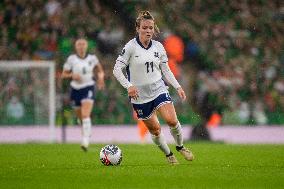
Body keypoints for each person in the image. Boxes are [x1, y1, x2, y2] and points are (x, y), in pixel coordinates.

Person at [113, 11, 194, 164]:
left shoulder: (159, 47)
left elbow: (166, 70)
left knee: (171, 120)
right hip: (139, 96)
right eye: (145, 28)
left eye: (150, 28)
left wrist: (178, 87)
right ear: (138, 28)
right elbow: (116, 69)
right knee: (155, 130)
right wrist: (128, 86)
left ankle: (180, 146)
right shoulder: (130, 47)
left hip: (159, 89)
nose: (148, 31)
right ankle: (169, 154)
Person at [62, 38, 105, 151]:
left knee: (86, 114)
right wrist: (72, 75)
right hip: (75, 89)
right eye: (78, 44)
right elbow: (63, 74)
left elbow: (100, 70)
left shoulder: (92, 58)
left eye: (83, 44)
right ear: (76, 47)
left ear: (86, 46)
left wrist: (100, 79)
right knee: (81, 117)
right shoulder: (71, 59)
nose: (81, 46)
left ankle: (85, 141)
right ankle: (86, 127)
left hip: (88, 87)